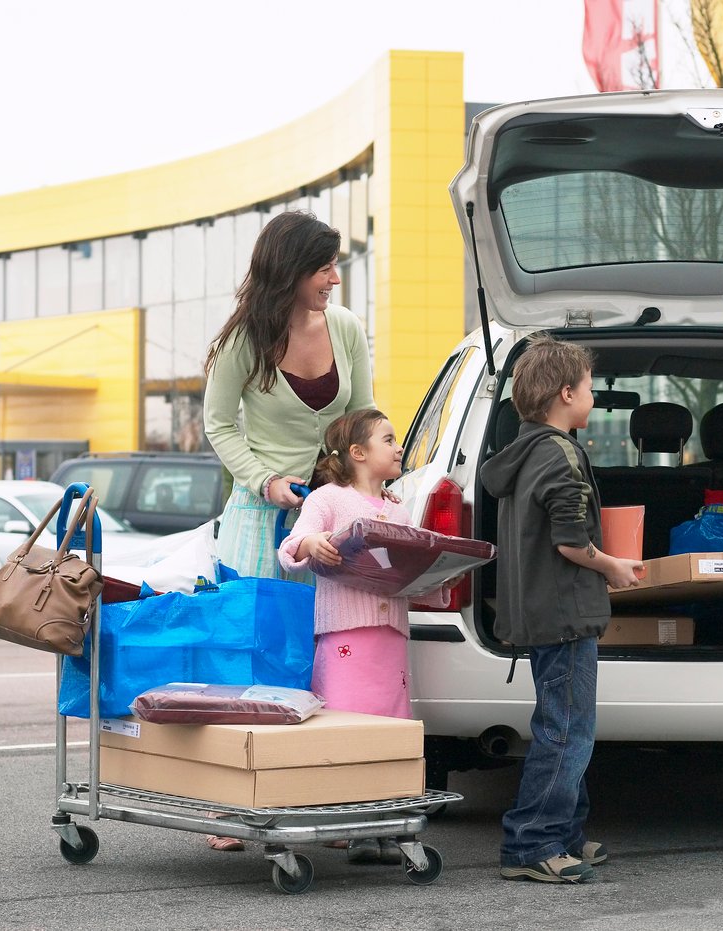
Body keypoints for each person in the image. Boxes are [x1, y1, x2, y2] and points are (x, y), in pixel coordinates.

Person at [200, 210, 374, 852]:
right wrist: (264, 481)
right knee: (251, 654)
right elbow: (220, 426)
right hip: (258, 513)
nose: (334, 277)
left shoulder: (347, 328)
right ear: (289, 271)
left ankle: (314, 796)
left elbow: (360, 420)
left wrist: (353, 490)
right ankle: (230, 805)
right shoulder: (243, 340)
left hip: (328, 513)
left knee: (322, 653)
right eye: (323, 267)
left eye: (335, 265)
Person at [481, 333, 643, 885]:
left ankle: (566, 835)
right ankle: (532, 843)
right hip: (568, 616)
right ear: (566, 394)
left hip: (540, 612)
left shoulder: (524, 450)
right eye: (590, 389)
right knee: (566, 732)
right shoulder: (562, 453)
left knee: (562, 725)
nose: (593, 397)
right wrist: (614, 567)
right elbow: (572, 543)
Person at [277, 408, 454, 865]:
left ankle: (386, 825)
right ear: (357, 453)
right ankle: (347, 824)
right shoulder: (327, 499)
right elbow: (290, 547)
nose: (399, 447)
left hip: (391, 635)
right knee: (348, 726)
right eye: (389, 439)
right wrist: (311, 544)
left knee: (391, 728)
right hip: (344, 636)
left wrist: (439, 577)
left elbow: (410, 566)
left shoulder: (398, 506)